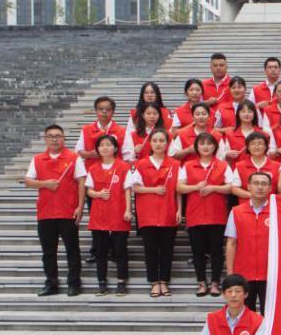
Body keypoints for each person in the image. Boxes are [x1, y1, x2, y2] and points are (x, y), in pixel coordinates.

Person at [24, 124, 86, 297]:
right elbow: (28, 181)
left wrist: (80, 206)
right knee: (48, 252)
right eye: (51, 136)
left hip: (67, 211)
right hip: (45, 213)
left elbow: (82, 182)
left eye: (58, 136)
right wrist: (45, 184)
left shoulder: (73, 157)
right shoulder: (38, 159)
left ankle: (74, 283)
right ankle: (51, 283)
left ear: (64, 138)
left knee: (72, 249)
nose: (54, 139)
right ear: (45, 139)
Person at [179, 133, 234, 297]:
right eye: (202, 143)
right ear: (196, 147)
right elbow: (179, 187)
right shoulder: (188, 165)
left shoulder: (222, 165)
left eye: (209, 144)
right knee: (198, 251)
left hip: (216, 215)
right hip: (195, 214)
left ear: (215, 147)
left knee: (216, 250)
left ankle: (215, 283)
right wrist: (195, 187)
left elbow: (231, 187)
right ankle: (201, 283)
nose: (205, 147)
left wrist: (214, 188)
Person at [127, 128, 180, 298]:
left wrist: (179, 209)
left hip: (168, 211)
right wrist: (154, 190)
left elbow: (178, 190)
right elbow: (135, 187)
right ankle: (154, 282)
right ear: (150, 143)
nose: (158, 144)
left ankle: (164, 281)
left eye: (162, 141)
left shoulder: (175, 164)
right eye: (155, 140)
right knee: (150, 249)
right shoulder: (141, 164)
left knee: (167, 249)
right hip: (147, 212)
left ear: (167, 144)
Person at [81, 134, 131, 296]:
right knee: (101, 252)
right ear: (97, 149)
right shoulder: (93, 168)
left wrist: (128, 210)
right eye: (101, 145)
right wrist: (97, 194)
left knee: (120, 251)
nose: (105, 148)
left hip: (118, 213)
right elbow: (89, 190)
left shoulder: (123, 167)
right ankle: (101, 283)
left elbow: (127, 190)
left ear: (115, 148)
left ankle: (121, 282)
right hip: (99, 215)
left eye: (108, 145)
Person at [224, 172, 272, 311]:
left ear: (270, 188)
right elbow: (231, 243)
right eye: (256, 183)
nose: (260, 187)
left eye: (264, 184)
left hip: (270, 274)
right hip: (243, 274)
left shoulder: (277, 212)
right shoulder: (236, 212)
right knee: (245, 315)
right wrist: (230, 273)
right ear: (249, 186)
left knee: (269, 315)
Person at [231, 132, 279, 198]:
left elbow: (280, 189)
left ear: (266, 146)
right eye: (253, 144)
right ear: (248, 147)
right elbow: (234, 188)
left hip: (270, 203)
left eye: (260, 143)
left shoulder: (277, 166)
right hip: (247, 202)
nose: (256, 146)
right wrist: (254, 196)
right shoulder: (240, 166)